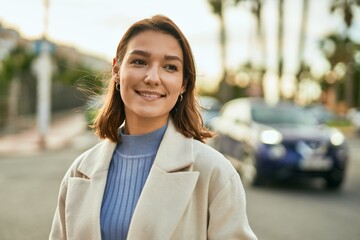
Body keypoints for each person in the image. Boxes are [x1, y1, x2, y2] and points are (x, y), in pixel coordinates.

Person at [49, 14, 257, 240]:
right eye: (139, 62)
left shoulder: (215, 172)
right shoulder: (79, 171)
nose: (152, 77)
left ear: (183, 84)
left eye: (170, 67)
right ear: (117, 71)